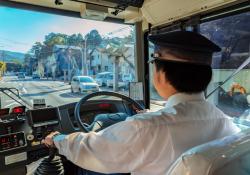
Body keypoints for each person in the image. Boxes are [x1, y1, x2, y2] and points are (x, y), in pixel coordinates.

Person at [43, 31, 240, 175]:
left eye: (154, 65)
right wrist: (150, 117)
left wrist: (58, 139)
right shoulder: (228, 123)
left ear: (161, 75)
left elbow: (90, 149)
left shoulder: (145, 127)